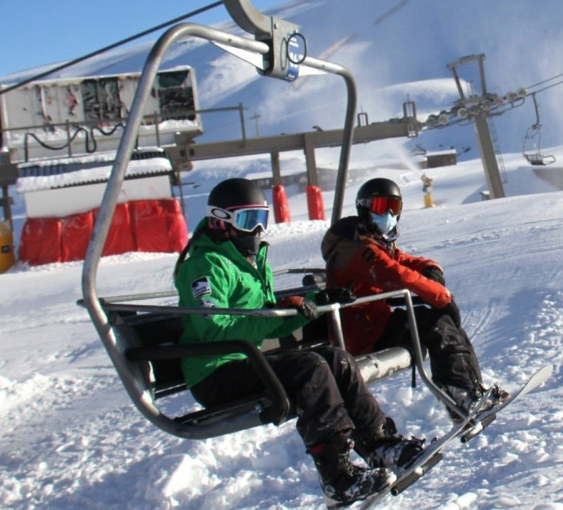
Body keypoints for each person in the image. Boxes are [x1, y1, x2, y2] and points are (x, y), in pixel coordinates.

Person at [173, 178, 424, 507]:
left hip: (246, 361)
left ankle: (380, 444)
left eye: (262, 219)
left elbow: (269, 322)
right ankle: (337, 476)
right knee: (311, 368)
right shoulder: (204, 266)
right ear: (221, 221)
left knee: (336, 359)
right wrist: (270, 315)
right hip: (214, 372)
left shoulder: (248, 262)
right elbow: (214, 330)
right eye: (249, 220)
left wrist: (311, 305)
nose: (257, 230)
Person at [320, 177, 506, 422]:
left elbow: (404, 261)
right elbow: (395, 274)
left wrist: (431, 268)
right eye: (381, 207)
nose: (388, 214)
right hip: (361, 334)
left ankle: (470, 391)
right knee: (435, 322)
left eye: (394, 207)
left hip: (375, 324)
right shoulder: (355, 249)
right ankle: (460, 396)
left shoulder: (372, 240)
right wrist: (441, 296)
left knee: (440, 322)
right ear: (364, 208)